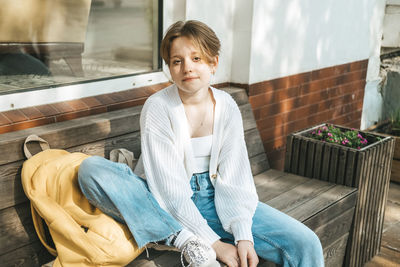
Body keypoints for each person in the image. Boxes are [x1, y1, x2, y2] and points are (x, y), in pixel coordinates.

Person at [78, 20, 324, 267]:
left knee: (306, 243)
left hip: (219, 200)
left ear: (213, 63)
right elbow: (170, 193)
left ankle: (187, 238)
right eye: (177, 61)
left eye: (196, 58)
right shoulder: (158, 108)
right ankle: (185, 240)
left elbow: (235, 179)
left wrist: (243, 237)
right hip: (162, 204)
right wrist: (214, 245)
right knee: (91, 170)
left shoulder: (227, 106)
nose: (187, 68)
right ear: (170, 68)